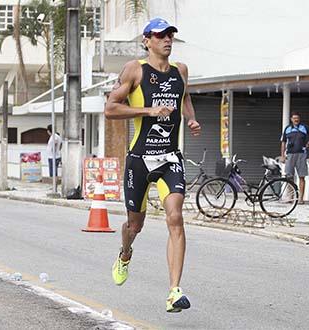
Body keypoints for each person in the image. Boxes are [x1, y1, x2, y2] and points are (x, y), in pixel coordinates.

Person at [104, 17, 201, 313]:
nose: (167, 40)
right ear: (147, 41)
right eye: (160, 36)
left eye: (170, 35)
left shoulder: (180, 71)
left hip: (170, 158)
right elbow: (110, 109)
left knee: (176, 217)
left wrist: (190, 118)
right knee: (135, 225)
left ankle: (174, 291)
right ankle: (125, 253)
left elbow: (184, 98)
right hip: (139, 160)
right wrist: (149, 110)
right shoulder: (135, 70)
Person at [280, 112, 309, 204]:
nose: (296, 120)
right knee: (289, 176)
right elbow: (283, 142)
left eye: (297, 118)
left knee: (302, 176)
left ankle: (301, 198)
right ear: (291, 119)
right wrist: (282, 155)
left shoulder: (304, 127)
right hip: (289, 154)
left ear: (299, 118)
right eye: (294, 118)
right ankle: (291, 197)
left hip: (301, 154)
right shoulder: (287, 128)